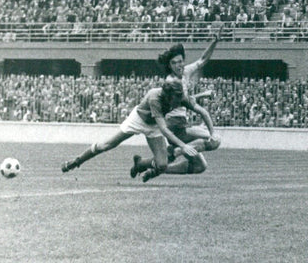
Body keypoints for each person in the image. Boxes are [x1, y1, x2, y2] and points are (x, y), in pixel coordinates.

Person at [61, 46, 216, 179]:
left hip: (153, 126)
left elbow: (203, 112)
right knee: (106, 145)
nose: (178, 104)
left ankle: (141, 164)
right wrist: (183, 146)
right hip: (138, 120)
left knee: (162, 165)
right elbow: (164, 129)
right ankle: (76, 161)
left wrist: (213, 133)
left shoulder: (179, 96)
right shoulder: (154, 98)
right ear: (168, 97)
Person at [129, 43, 221, 182]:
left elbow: (203, 60)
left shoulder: (185, 72)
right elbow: (181, 101)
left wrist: (214, 42)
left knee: (199, 166)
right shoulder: (170, 81)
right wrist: (202, 95)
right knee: (213, 140)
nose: (178, 65)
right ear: (169, 66)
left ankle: (144, 165)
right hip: (173, 124)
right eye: (174, 63)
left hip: (182, 124)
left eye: (180, 62)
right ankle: (176, 152)